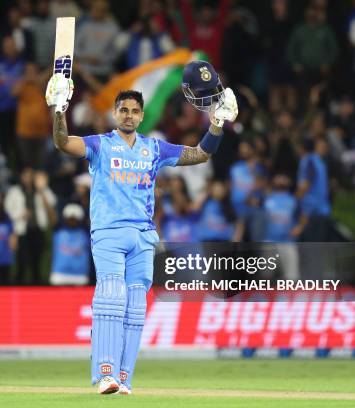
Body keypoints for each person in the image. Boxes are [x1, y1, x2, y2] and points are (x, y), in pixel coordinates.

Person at [45, 60, 238, 394]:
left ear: (142, 115)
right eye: (123, 110)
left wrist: (217, 124)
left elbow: (201, 154)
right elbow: (64, 143)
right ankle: (104, 373)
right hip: (108, 232)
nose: (129, 115)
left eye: (135, 110)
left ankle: (123, 379)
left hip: (143, 236)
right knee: (110, 295)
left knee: (136, 306)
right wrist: (59, 111)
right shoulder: (100, 144)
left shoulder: (154, 148)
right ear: (115, 114)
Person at [49, 203, 91, 285]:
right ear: (65, 218)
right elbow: (52, 216)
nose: (72, 221)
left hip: (80, 276)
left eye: (75, 219)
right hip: (59, 275)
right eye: (70, 218)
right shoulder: (58, 231)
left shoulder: (86, 233)